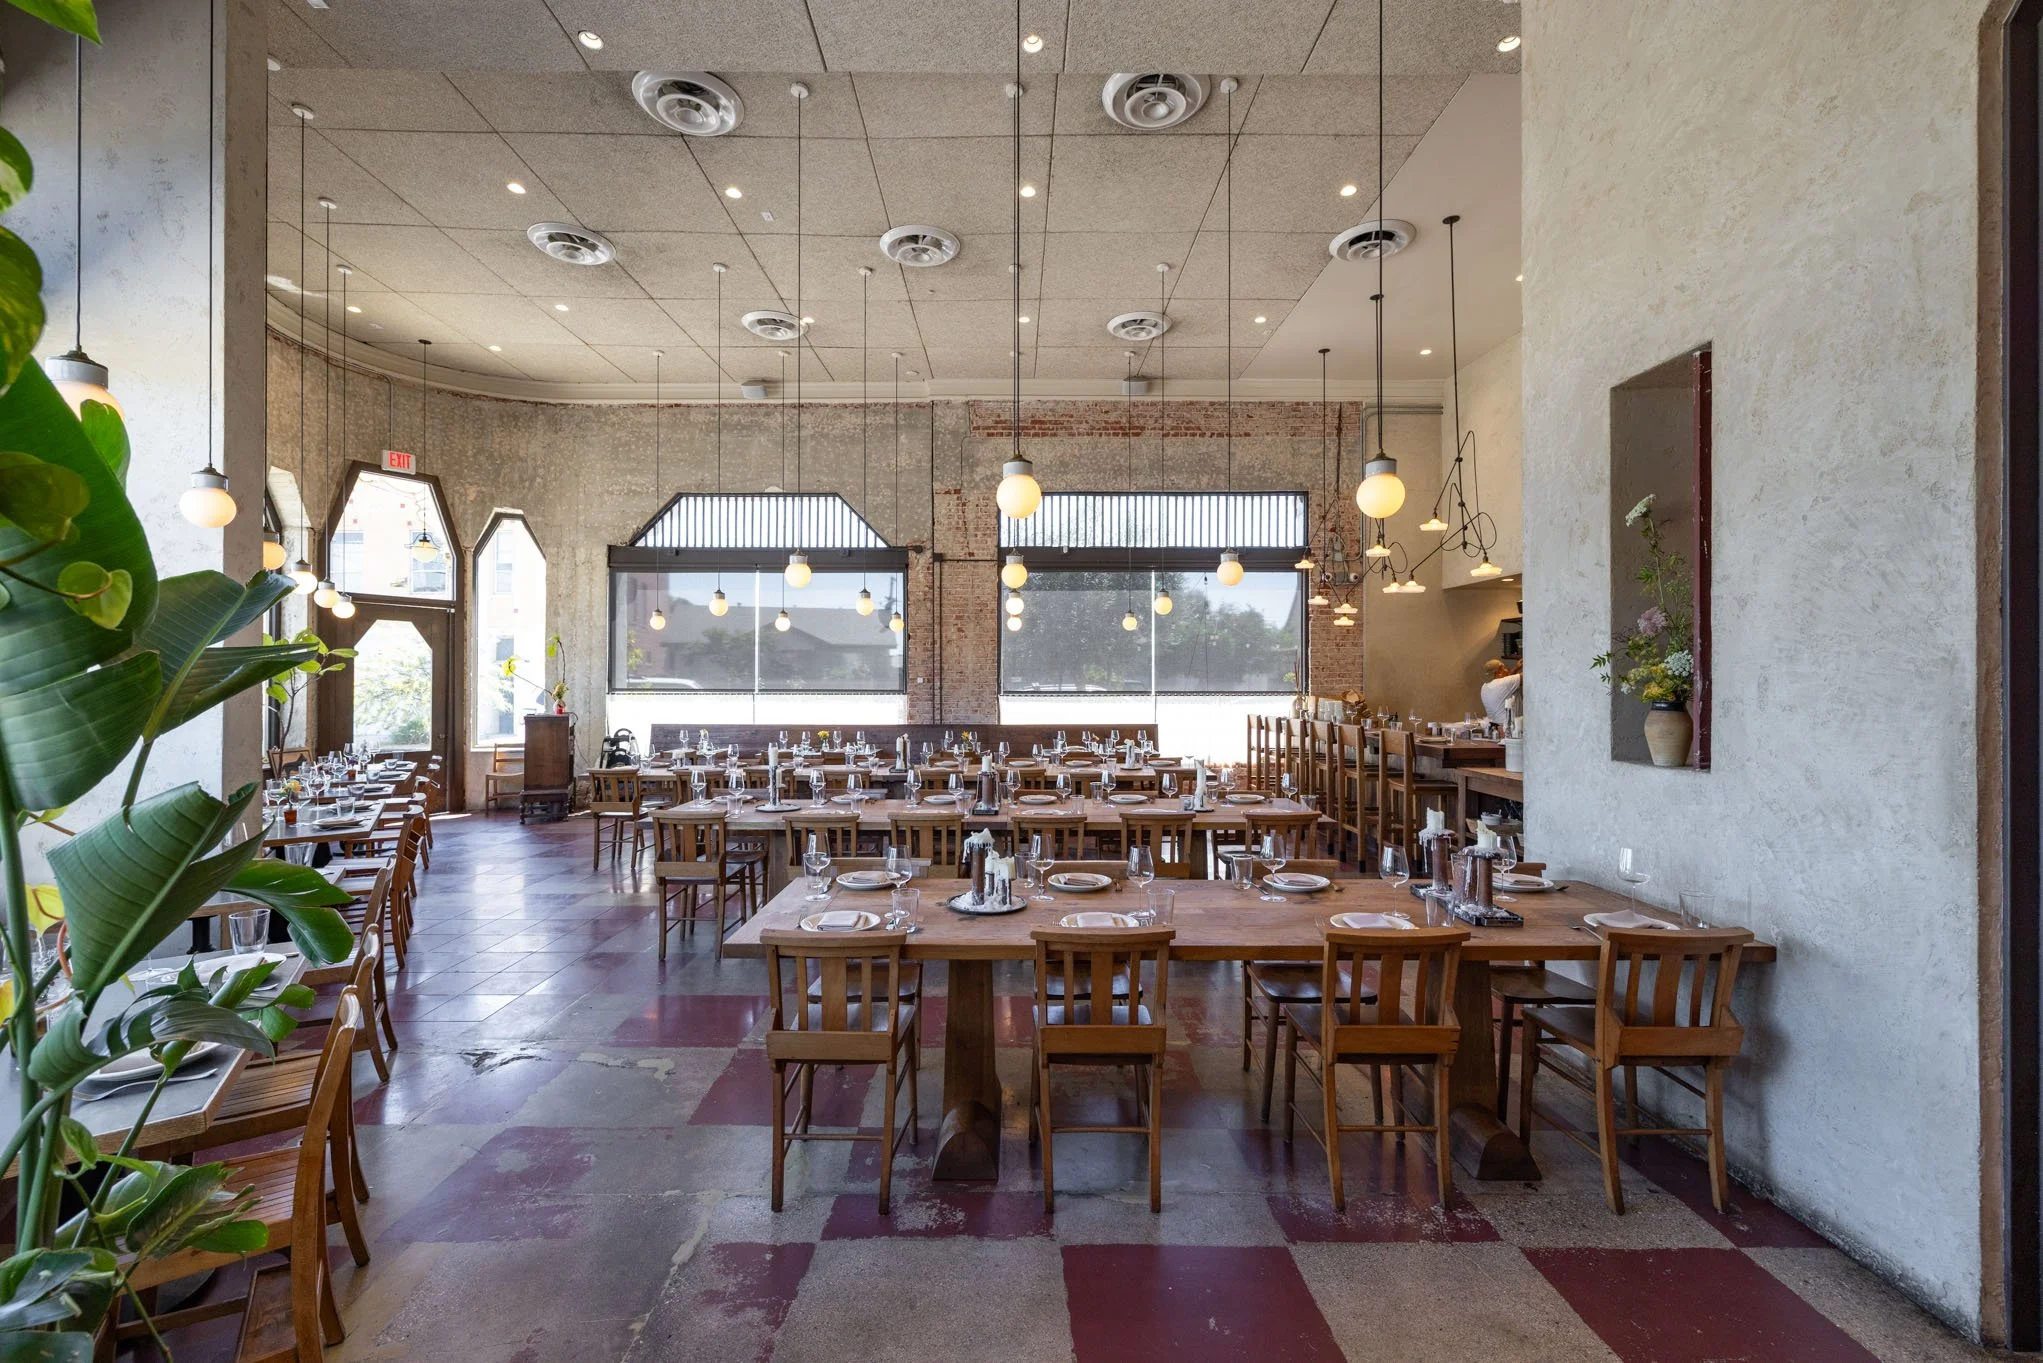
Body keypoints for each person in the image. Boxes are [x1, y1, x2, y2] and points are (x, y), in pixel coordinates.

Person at [1480, 658, 1522, 725]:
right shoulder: (1504, 684)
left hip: (1494, 726)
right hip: (1509, 727)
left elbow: (1507, 682)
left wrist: (1516, 668)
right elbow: (1526, 676)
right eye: (1504, 668)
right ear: (1499, 672)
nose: (1507, 670)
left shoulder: (1484, 686)